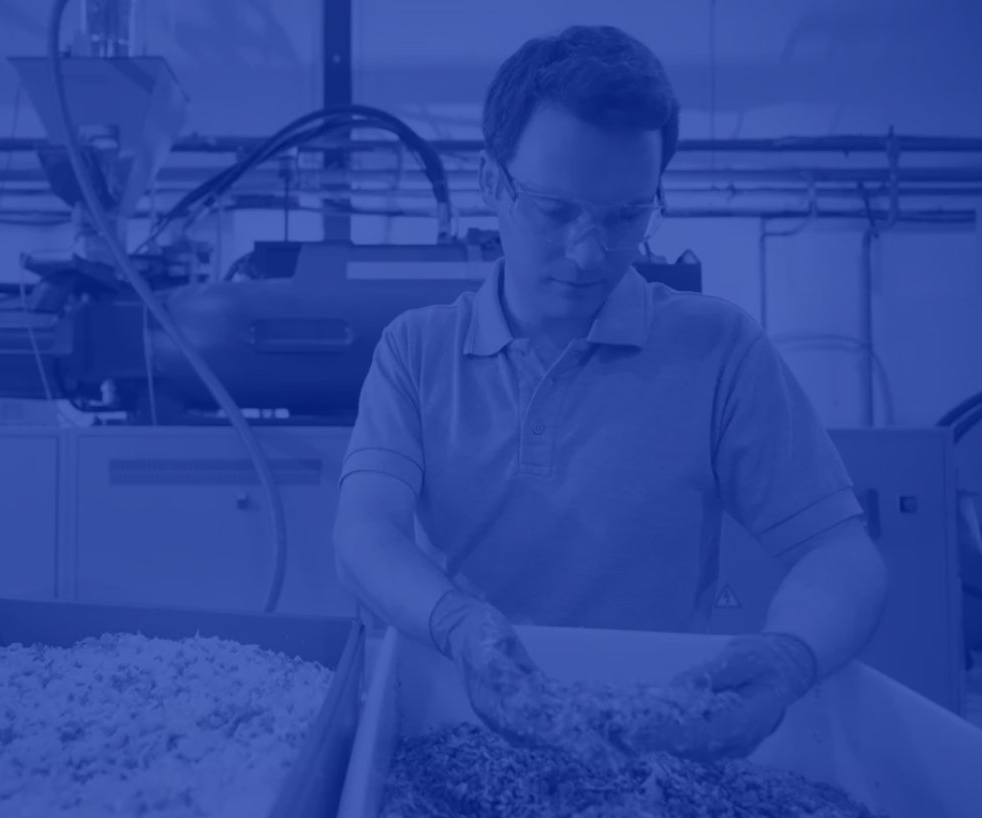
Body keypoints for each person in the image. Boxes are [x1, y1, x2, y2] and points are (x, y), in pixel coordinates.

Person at [332, 24, 889, 763]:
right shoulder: (417, 349)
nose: (589, 251)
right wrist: (461, 625)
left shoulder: (719, 349)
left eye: (626, 216)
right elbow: (365, 532)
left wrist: (792, 655)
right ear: (492, 182)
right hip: (455, 720)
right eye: (555, 211)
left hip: (653, 741)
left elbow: (840, 552)